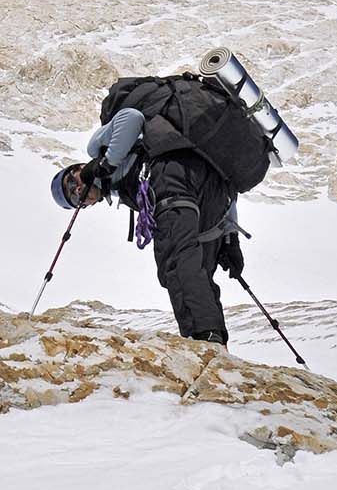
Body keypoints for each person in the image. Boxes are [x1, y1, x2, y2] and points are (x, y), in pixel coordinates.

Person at [50, 106, 245, 346]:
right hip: (210, 189)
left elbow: (132, 117)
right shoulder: (123, 187)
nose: (78, 190)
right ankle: (216, 339)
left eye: (72, 182)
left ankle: (204, 339)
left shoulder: (97, 150)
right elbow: (224, 194)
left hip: (172, 180)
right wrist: (229, 237)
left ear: (78, 167)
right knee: (199, 268)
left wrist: (106, 163)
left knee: (173, 263)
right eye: (75, 198)